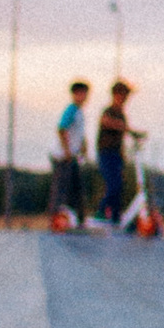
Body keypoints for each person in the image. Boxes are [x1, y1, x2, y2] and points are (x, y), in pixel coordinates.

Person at [96, 82, 135, 233]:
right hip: (106, 153)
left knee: (120, 186)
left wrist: (123, 157)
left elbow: (121, 139)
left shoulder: (122, 114)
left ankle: (116, 217)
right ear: (115, 95)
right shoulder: (109, 111)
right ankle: (101, 212)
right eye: (122, 95)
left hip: (116, 154)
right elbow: (105, 121)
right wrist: (124, 127)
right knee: (113, 185)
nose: (125, 99)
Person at [53, 83, 91, 227]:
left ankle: (79, 221)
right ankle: (57, 220)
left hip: (73, 156)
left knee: (77, 190)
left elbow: (78, 133)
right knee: (62, 189)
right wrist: (67, 150)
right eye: (82, 93)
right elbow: (62, 129)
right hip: (64, 157)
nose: (84, 97)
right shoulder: (71, 110)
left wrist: (83, 146)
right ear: (75, 94)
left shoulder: (79, 112)